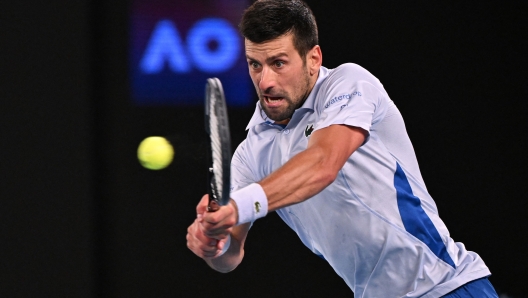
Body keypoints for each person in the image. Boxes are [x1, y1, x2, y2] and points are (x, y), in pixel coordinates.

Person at [186, 0, 498, 297]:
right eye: (255, 65)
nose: (265, 81)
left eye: (278, 63)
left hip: (447, 286)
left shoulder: (349, 83)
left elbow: (323, 163)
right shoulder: (250, 154)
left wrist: (237, 205)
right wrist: (214, 241)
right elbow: (231, 254)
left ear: (313, 59)